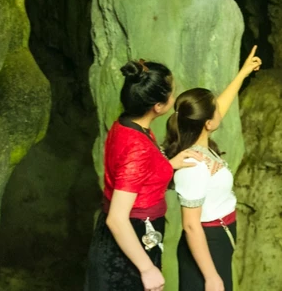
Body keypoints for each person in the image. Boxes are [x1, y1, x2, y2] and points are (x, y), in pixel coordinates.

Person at [86, 60, 205, 291]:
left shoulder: (127, 125)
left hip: (125, 238)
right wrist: (147, 269)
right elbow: (117, 218)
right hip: (130, 241)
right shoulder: (137, 146)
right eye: (172, 93)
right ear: (159, 107)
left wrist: (168, 165)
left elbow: (134, 174)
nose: (175, 96)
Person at [164, 46, 263, 291]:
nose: (221, 109)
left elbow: (220, 106)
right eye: (216, 108)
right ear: (208, 123)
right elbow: (190, 225)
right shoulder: (194, 165)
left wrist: (243, 73)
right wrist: (210, 277)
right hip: (207, 241)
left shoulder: (199, 142)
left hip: (217, 237)